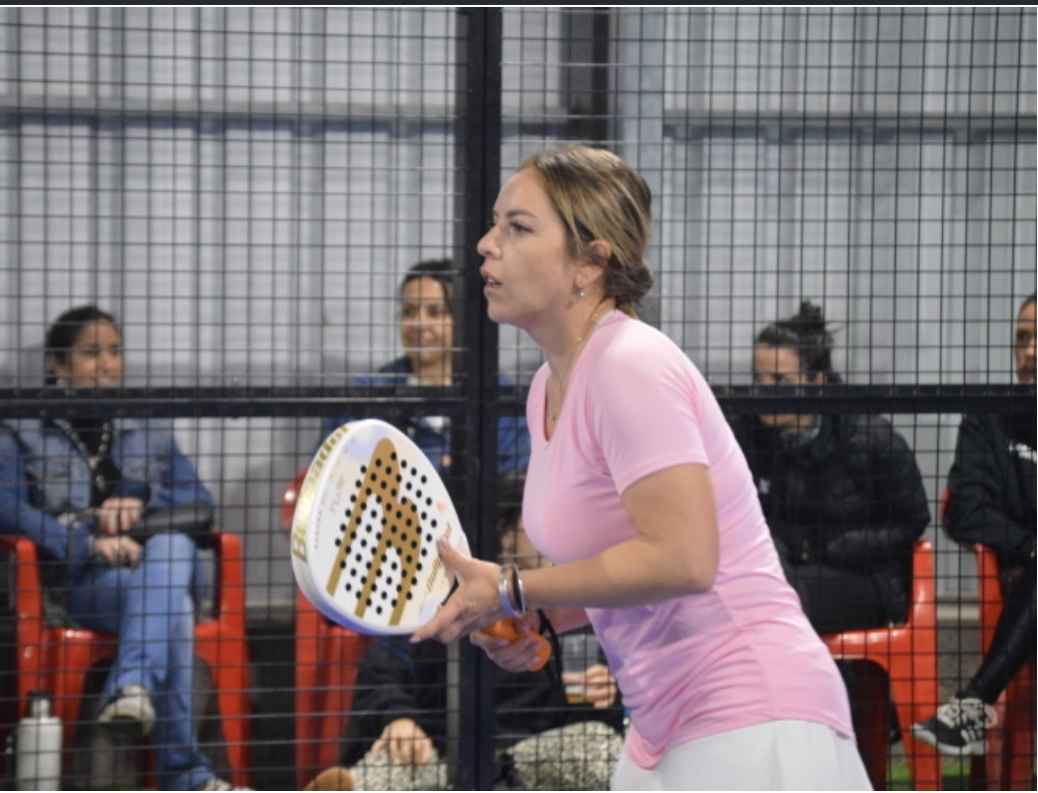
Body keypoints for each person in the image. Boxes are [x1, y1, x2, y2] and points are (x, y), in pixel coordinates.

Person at [411, 144, 871, 790]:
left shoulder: (629, 364)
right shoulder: (548, 387)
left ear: (590, 262)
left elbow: (684, 560)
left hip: (753, 714)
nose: (487, 244)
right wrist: (538, 618)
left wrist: (515, 589)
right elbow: (626, 567)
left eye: (518, 227)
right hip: (663, 725)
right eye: (495, 223)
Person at [0, 305, 237, 792]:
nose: (107, 364)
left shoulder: (147, 425)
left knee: (170, 545)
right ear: (57, 364)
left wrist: (143, 503)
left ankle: (131, 686)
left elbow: (200, 502)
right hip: (88, 579)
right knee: (175, 612)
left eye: (115, 351)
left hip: (155, 566)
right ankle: (186, 775)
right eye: (91, 353)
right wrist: (86, 541)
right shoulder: (26, 430)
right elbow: (1, 507)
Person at [342, 470, 624, 791]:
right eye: (544, 520)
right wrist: (399, 718)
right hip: (442, 754)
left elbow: (609, 717)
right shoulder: (444, 594)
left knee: (604, 747)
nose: (558, 534)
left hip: (535, 758)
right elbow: (381, 668)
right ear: (505, 532)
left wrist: (609, 693)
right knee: (375, 776)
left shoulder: (584, 604)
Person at [730, 301, 930, 635]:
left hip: (866, 577)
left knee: (780, 603)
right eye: (757, 377)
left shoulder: (870, 437)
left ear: (817, 382)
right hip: (778, 571)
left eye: (780, 380)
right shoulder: (744, 434)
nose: (764, 390)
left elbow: (911, 521)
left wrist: (826, 546)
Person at [912, 292, 1036, 757]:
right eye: (1021, 339)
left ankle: (973, 705)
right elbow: (964, 509)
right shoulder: (989, 417)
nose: (1029, 352)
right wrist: (1028, 547)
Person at [318, 258, 530, 478]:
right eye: (409, 311)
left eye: (436, 312)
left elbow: (513, 484)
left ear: (462, 320)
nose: (419, 323)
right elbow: (328, 479)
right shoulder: (364, 397)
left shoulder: (497, 395)